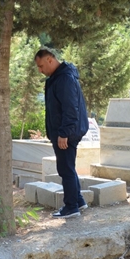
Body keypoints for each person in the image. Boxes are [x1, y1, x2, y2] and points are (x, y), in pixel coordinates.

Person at [34, 48, 89, 218]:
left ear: (50, 59)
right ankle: (78, 201)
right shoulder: (58, 77)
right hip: (65, 130)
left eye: (42, 66)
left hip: (67, 132)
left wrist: (64, 133)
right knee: (68, 167)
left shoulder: (64, 78)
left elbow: (70, 108)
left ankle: (71, 207)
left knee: (65, 169)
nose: (40, 70)